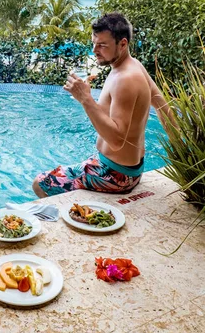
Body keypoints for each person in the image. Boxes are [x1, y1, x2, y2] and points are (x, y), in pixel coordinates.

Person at [33, 12, 174, 198]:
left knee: (40, 184)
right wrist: (181, 148)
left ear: (122, 44)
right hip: (129, 170)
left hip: (113, 175)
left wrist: (86, 100)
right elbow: (162, 105)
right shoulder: (134, 66)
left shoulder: (126, 79)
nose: (94, 50)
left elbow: (116, 141)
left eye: (102, 45)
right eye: (94, 43)